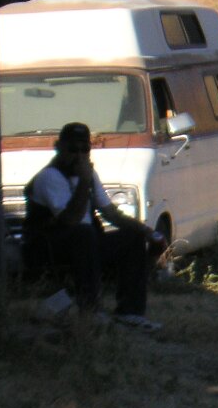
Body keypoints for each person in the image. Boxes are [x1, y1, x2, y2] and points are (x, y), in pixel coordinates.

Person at [24, 122, 166, 330]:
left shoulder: (88, 175)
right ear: (59, 147)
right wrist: (83, 182)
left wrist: (148, 233)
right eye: (73, 149)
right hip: (49, 248)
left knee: (131, 237)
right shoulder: (49, 177)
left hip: (85, 244)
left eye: (85, 150)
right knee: (84, 233)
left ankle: (130, 312)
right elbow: (70, 220)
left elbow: (111, 213)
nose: (80, 156)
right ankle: (91, 308)